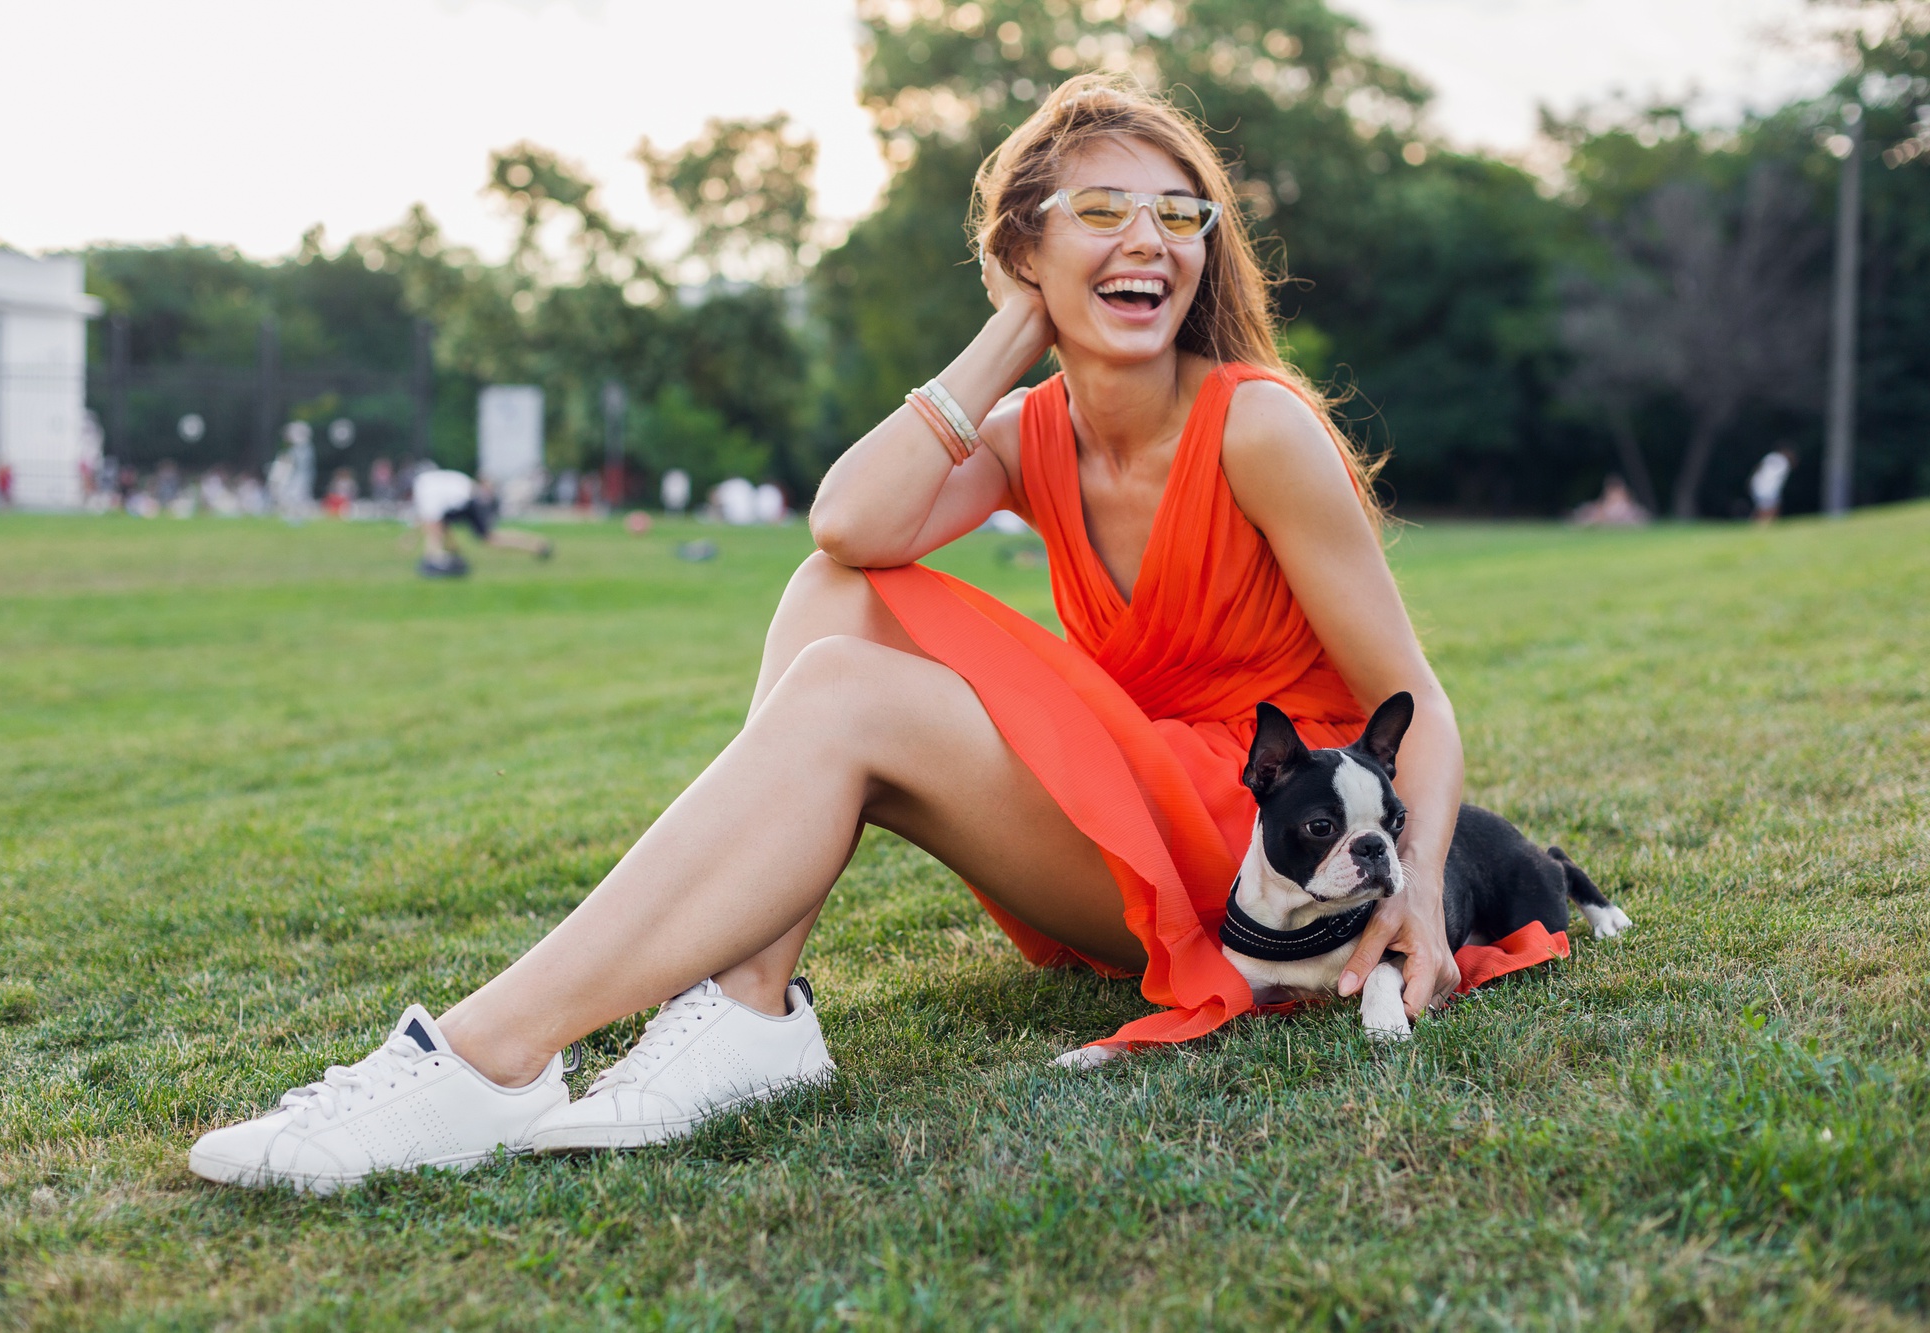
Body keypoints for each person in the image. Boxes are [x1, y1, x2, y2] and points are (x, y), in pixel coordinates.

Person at [189, 76, 1472, 1193]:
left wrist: (1409, 888)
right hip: (1135, 808)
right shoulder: (1033, 431)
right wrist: (1008, 337)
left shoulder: (1255, 425)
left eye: (1177, 214)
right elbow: (849, 523)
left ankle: (485, 1057)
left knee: (847, 689)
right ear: (1022, 252)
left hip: (1268, 855)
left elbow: (1408, 691)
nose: (1149, 240)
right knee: (831, 599)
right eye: (1099, 212)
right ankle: (751, 1008)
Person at [411, 466, 552, 577]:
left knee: (491, 539)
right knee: (444, 526)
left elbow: (431, 524)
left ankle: (537, 545)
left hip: (471, 500)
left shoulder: (424, 491)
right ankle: (452, 555)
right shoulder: (425, 483)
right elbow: (432, 520)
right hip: (467, 498)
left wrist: (430, 553)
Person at [1749, 447, 1795, 524]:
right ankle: (1763, 524)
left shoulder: (1771, 457)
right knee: (1769, 509)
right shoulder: (1784, 462)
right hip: (1769, 488)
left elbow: (1758, 468)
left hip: (1758, 485)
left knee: (1764, 508)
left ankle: (1762, 524)